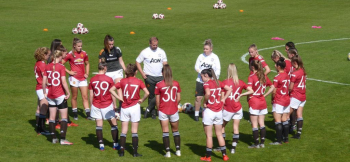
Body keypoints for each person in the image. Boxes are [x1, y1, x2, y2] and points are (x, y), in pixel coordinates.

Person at [109, 64, 149, 157]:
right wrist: (142, 100)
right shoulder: (139, 81)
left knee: (124, 131)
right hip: (135, 107)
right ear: (136, 72)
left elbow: (111, 90)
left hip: (124, 107)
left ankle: (121, 152)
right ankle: (135, 153)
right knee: (134, 131)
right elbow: (147, 93)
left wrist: (119, 97)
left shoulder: (122, 81)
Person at [89, 59, 123, 151]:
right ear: (104, 68)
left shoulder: (92, 80)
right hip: (107, 105)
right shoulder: (109, 79)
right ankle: (115, 144)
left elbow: (91, 95)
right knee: (114, 124)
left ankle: (101, 145)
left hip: (96, 105)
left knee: (99, 125)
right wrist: (115, 105)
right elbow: (112, 93)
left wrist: (91, 105)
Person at [219, 63, 253, 154]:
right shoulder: (240, 82)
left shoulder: (225, 82)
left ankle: (222, 146)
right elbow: (251, 90)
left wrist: (221, 107)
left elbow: (222, 97)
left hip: (228, 108)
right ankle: (233, 148)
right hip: (238, 107)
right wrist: (241, 94)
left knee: (221, 127)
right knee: (236, 127)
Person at [200, 69, 231, 162]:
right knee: (219, 134)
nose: (201, 78)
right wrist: (223, 99)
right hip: (218, 111)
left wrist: (205, 102)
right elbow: (229, 89)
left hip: (210, 111)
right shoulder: (218, 82)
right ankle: (225, 155)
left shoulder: (206, 84)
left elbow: (208, 93)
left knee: (209, 136)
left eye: (201, 76)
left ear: (206, 75)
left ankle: (208, 157)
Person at [42, 50, 72, 145]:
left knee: (51, 117)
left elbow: (44, 81)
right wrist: (68, 92)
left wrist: (44, 93)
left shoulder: (47, 67)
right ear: (59, 57)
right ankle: (62, 139)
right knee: (64, 118)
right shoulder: (61, 67)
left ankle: (53, 138)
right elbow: (63, 81)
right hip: (59, 95)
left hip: (50, 95)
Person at [136, 37, 167, 119]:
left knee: (160, 94)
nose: (155, 46)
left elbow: (165, 63)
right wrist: (142, 73)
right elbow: (137, 62)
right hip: (149, 77)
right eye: (153, 45)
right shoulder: (145, 52)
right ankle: (153, 113)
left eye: (156, 45)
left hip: (160, 77)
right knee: (151, 95)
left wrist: (165, 74)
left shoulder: (161, 52)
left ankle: (148, 109)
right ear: (150, 44)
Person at [155, 64, 181, 158]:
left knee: (165, 131)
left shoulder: (159, 85)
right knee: (175, 131)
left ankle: (168, 152)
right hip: (174, 110)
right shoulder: (176, 83)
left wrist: (158, 110)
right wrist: (174, 104)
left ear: (162, 73)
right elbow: (179, 98)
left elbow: (157, 101)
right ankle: (178, 151)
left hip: (163, 110)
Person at [247, 60, 275, 148]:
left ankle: (256, 144)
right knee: (262, 123)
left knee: (254, 124)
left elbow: (250, 90)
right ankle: (262, 143)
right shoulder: (264, 76)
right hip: (262, 101)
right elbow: (273, 86)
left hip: (254, 101)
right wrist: (265, 94)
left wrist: (248, 98)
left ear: (252, 67)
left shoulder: (251, 76)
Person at [62, 37, 91, 121]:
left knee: (85, 96)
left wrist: (87, 73)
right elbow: (60, 64)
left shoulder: (84, 53)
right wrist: (69, 72)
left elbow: (87, 64)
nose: (80, 48)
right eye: (78, 46)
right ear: (74, 46)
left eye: (81, 46)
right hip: (74, 78)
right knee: (74, 96)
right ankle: (75, 114)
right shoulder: (70, 54)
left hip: (82, 78)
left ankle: (88, 114)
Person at [194, 39, 221, 121]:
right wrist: (201, 73)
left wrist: (212, 78)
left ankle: (207, 113)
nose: (205, 50)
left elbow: (218, 69)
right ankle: (196, 114)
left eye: (207, 49)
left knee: (209, 97)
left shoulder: (215, 57)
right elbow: (196, 67)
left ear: (211, 49)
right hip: (200, 80)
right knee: (198, 98)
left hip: (210, 82)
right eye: (204, 49)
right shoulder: (200, 56)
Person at [99, 35, 126, 112]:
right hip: (108, 72)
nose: (111, 46)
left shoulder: (117, 50)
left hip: (117, 70)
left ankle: (121, 105)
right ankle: (115, 106)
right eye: (109, 44)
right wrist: (102, 74)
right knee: (111, 89)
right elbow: (101, 64)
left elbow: (121, 61)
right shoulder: (103, 52)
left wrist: (125, 70)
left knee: (118, 86)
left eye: (112, 44)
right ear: (106, 44)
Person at [269, 57, 291, 145]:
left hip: (279, 100)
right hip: (286, 100)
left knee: (277, 120)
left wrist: (272, 99)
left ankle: (278, 141)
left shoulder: (277, 77)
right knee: (284, 119)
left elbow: (274, 90)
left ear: (278, 66)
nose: (274, 65)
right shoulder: (287, 75)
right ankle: (286, 139)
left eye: (275, 64)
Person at [34, 47, 51, 135]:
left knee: (39, 108)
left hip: (39, 87)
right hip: (43, 88)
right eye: (48, 55)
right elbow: (46, 78)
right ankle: (41, 129)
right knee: (43, 109)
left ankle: (38, 127)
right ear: (44, 55)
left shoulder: (37, 63)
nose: (49, 56)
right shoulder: (42, 65)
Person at [289, 55, 306, 139]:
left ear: (295, 62)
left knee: (286, 114)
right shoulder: (302, 70)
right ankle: (298, 133)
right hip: (303, 96)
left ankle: (282, 134)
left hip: (296, 96)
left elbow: (291, 87)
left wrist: (287, 93)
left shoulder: (295, 73)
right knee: (299, 115)